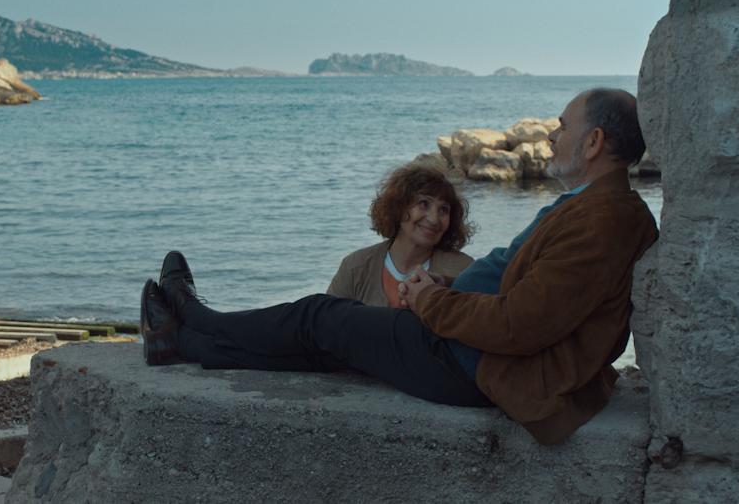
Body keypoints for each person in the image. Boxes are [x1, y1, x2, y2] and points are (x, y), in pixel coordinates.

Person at [140, 88, 658, 444]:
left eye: (563, 127)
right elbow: (528, 292)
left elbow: (519, 324)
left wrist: (431, 299)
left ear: (594, 142)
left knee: (319, 317)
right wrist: (445, 287)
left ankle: (196, 317)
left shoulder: (604, 220)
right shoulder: (593, 207)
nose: (551, 136)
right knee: (326, 344)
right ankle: (179, 344)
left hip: (476, 367)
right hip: (468, 349)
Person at [327, 164, 474, 308]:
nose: (434, 219)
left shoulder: (464, 272)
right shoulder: (355, 268)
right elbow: (324, 320)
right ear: (398, 206)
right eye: (424, 204)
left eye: (443, 209)